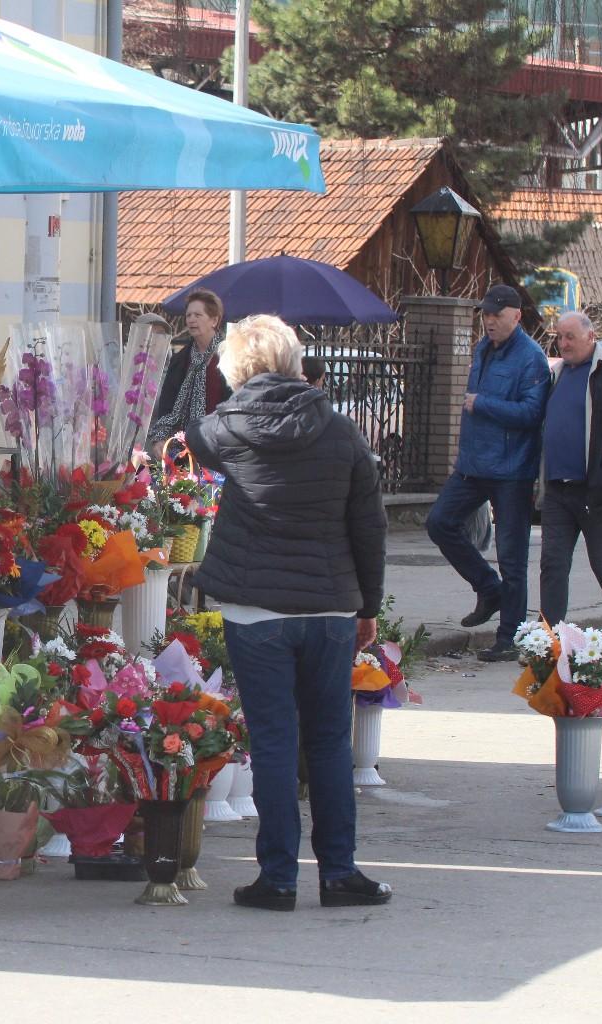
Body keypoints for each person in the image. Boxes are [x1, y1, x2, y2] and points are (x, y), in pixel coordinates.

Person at [185, 314, 390, 911]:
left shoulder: (222, 430)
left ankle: (276, 878)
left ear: (237, 368)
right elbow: (369, 526)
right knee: (328, 742)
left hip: (255, 609)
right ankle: (340, 872)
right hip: (329, 608)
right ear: (296, 362)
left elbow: (189, 441)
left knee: (273, 740)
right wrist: (367, 607)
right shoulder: (342, 432)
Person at [424, 284, 551, 662]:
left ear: (517, 316)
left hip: (512, 470)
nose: (490, 320)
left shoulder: (531, 359)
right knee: (440, 522)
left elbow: (532, 413)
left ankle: (508, 637)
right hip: (473, 465)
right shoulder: (483, 349)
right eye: (486, 314)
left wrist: (485, 404)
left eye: (498, 314)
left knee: (512, 556)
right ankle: (487, 587)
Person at [538, 312, 602, 622]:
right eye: (560, 337)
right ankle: (549, 641)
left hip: (597, 490)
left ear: (591, 336)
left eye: (570, 336)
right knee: (553, 564)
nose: (564, 343)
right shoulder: (559, 373)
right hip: (559, 490)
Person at [148, 288, 231, 456]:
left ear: (214, 320)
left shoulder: (230, 356)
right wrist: (160, 438)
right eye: (188, 315)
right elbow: (167, 404)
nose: (191, 320)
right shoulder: (181, 359)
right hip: (181, 449)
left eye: (198, 315)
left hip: (220, 448)